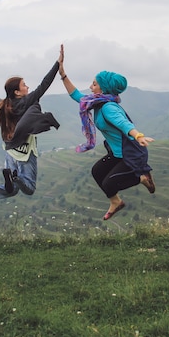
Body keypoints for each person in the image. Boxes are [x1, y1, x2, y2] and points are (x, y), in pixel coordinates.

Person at [58, 45, 155, 220]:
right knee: (97, 172)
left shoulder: (109, 107)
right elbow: (76, 95)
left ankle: (142, 177)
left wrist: (138, 135)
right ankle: (116, 202)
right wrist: (62, 73)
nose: (90, 86)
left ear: (103, 88)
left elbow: (124, 124)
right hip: (116, 153)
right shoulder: (95, 102)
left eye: (94, 84)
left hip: (130, 154)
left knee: (109, 182)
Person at [0, 49, 62, 208]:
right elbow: (45, 83)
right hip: (25, 151)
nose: (28, 87)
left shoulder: (6, 105)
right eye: (24, 85)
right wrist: (58, 63)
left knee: (12, 190)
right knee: (29, 187)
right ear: (17, 92)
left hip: (10, 150)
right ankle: (15, 177)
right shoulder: (27, 101)